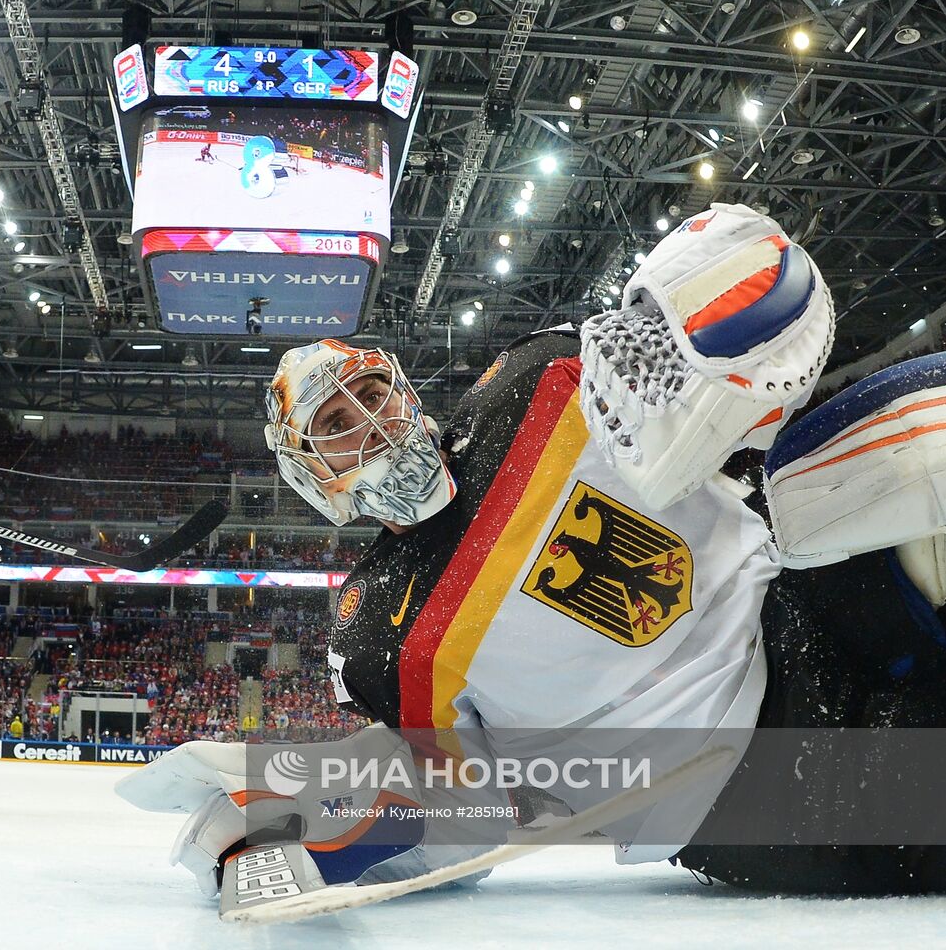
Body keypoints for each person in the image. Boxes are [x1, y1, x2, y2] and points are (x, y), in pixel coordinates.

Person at [120, 203, 946, 898]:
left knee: (912, 430)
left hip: (803, 599)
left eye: (371, 394)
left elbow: (716, 390)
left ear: (405, 392)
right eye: (333, 426)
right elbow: (460, 809)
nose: (368, 423)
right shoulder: (375, 634)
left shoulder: (539, 379)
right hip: (749, 794)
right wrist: (304, 818)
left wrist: (718, 294)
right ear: (310, 477)